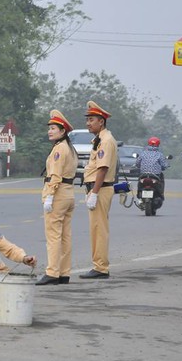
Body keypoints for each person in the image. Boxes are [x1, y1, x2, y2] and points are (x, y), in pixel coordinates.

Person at [36, 110, 78, 286]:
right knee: (65, 236)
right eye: (49, 128)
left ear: (62, 131)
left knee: (53, 236)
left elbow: (55, 175)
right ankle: (64, 272)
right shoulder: (68, 147)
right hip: (68, 193)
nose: (50, 131)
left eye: (54, 128)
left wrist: (50, 196)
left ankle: (52, 272)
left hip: (58, 194)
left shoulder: (59, 150)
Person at [80, 100, 118, 280]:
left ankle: (101, 267)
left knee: (99, 229)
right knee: (95, 229)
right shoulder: (100, 138)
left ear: (101, 121)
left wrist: (94, 193)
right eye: (87, 120)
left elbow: (102, 168)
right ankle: (98, 265)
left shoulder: (106, 140)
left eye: (91, 119)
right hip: (96, 188)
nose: (88, 123)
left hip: (100, 189)